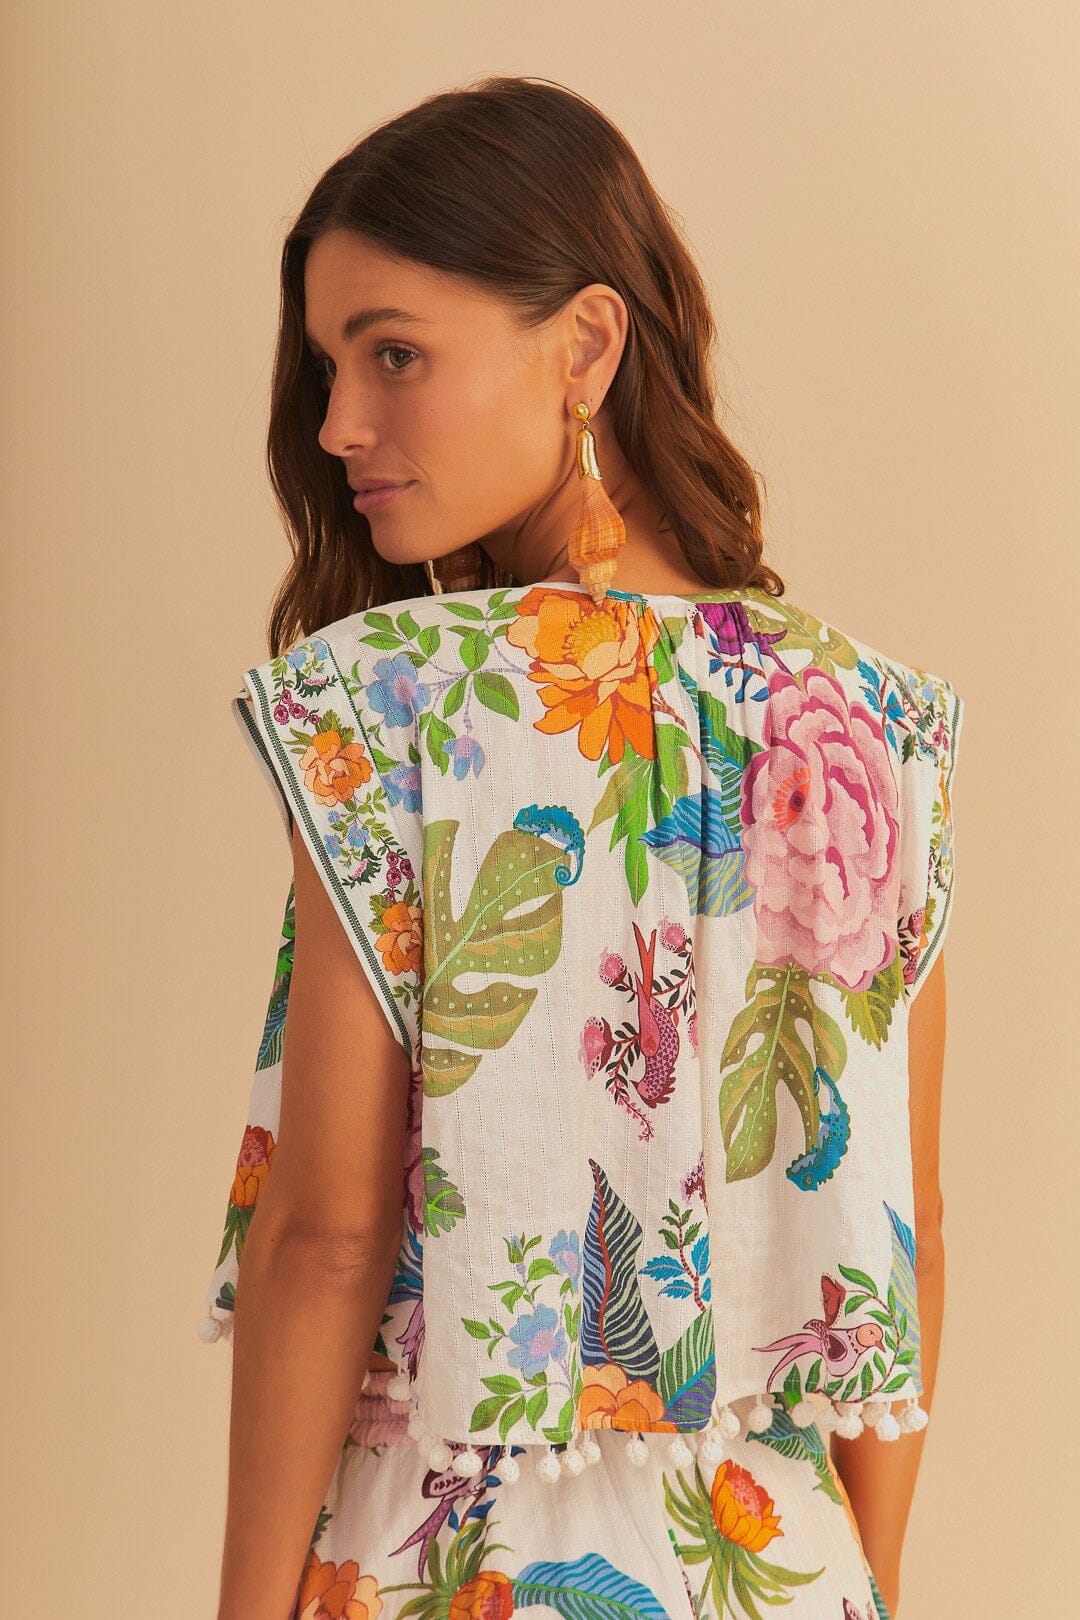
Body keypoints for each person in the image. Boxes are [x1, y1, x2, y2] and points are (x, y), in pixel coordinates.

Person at [198, 76, 964, 1620]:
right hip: (786, 1556)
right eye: (330, 365)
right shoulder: (877, 722)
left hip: (444, 1560)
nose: (339, 424)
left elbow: (330, 1240)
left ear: (588, 346)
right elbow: (910, 1235)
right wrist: (869, 1583)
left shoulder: (401, 702)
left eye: (393, 352)